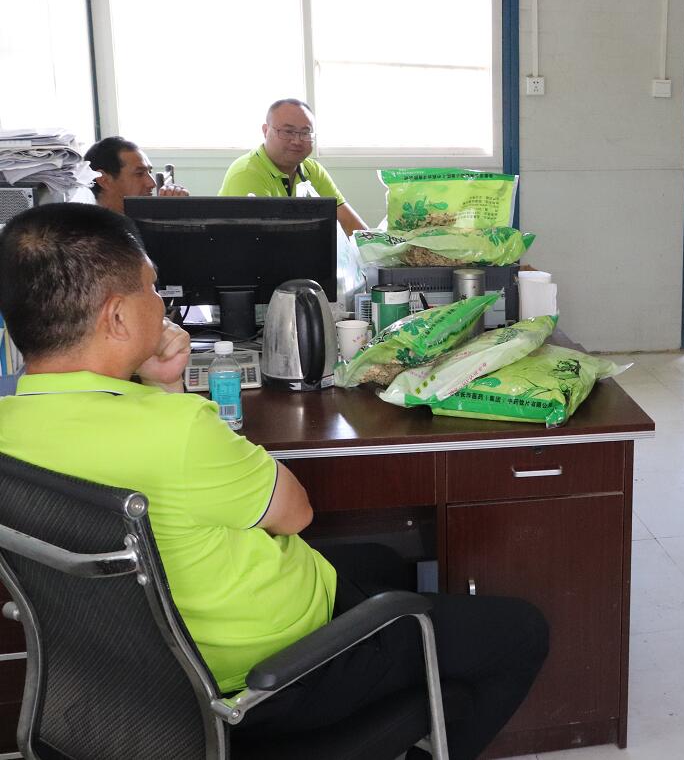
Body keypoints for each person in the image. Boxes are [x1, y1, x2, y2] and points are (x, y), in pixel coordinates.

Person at [0, 203, 547, 759]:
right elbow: (295, 513)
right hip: (267, 681)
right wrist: (172, 401)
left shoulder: (7, 427)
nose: (162, 304)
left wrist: (160, 386)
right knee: (520, 632)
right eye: (151, 288)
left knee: (382, 562)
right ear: (117, 318)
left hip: (142, 679)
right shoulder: (177, 432)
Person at [219, 98, 368, 235]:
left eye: (305, 132)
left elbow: (350, 224)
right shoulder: (247, 173)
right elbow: (261, 241)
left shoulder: (312, 170)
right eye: (288, 131)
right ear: (265, 131)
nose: (297, 141)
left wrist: (375, 247)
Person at [85, 135, 189, 214]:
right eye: (139, 174)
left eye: (149, 172)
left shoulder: (140, 218)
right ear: (104, 180)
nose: (152, 184)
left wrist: (176, 213)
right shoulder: (92, 233)